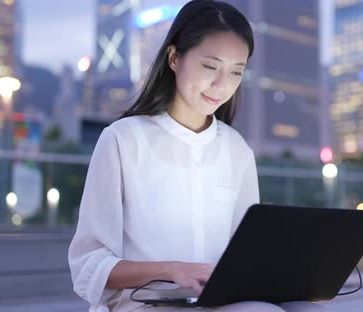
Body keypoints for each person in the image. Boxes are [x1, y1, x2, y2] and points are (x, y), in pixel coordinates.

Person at [68, 1, 327, 311]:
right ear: (174, 57)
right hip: (146, 306)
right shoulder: (123, 140)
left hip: (217, 302)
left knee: (311, 309)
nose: (221, 85)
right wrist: (171, 270)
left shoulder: (236, 150)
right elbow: (88, 265)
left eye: (235, 72)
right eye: (209, 66)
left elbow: (244, 255)